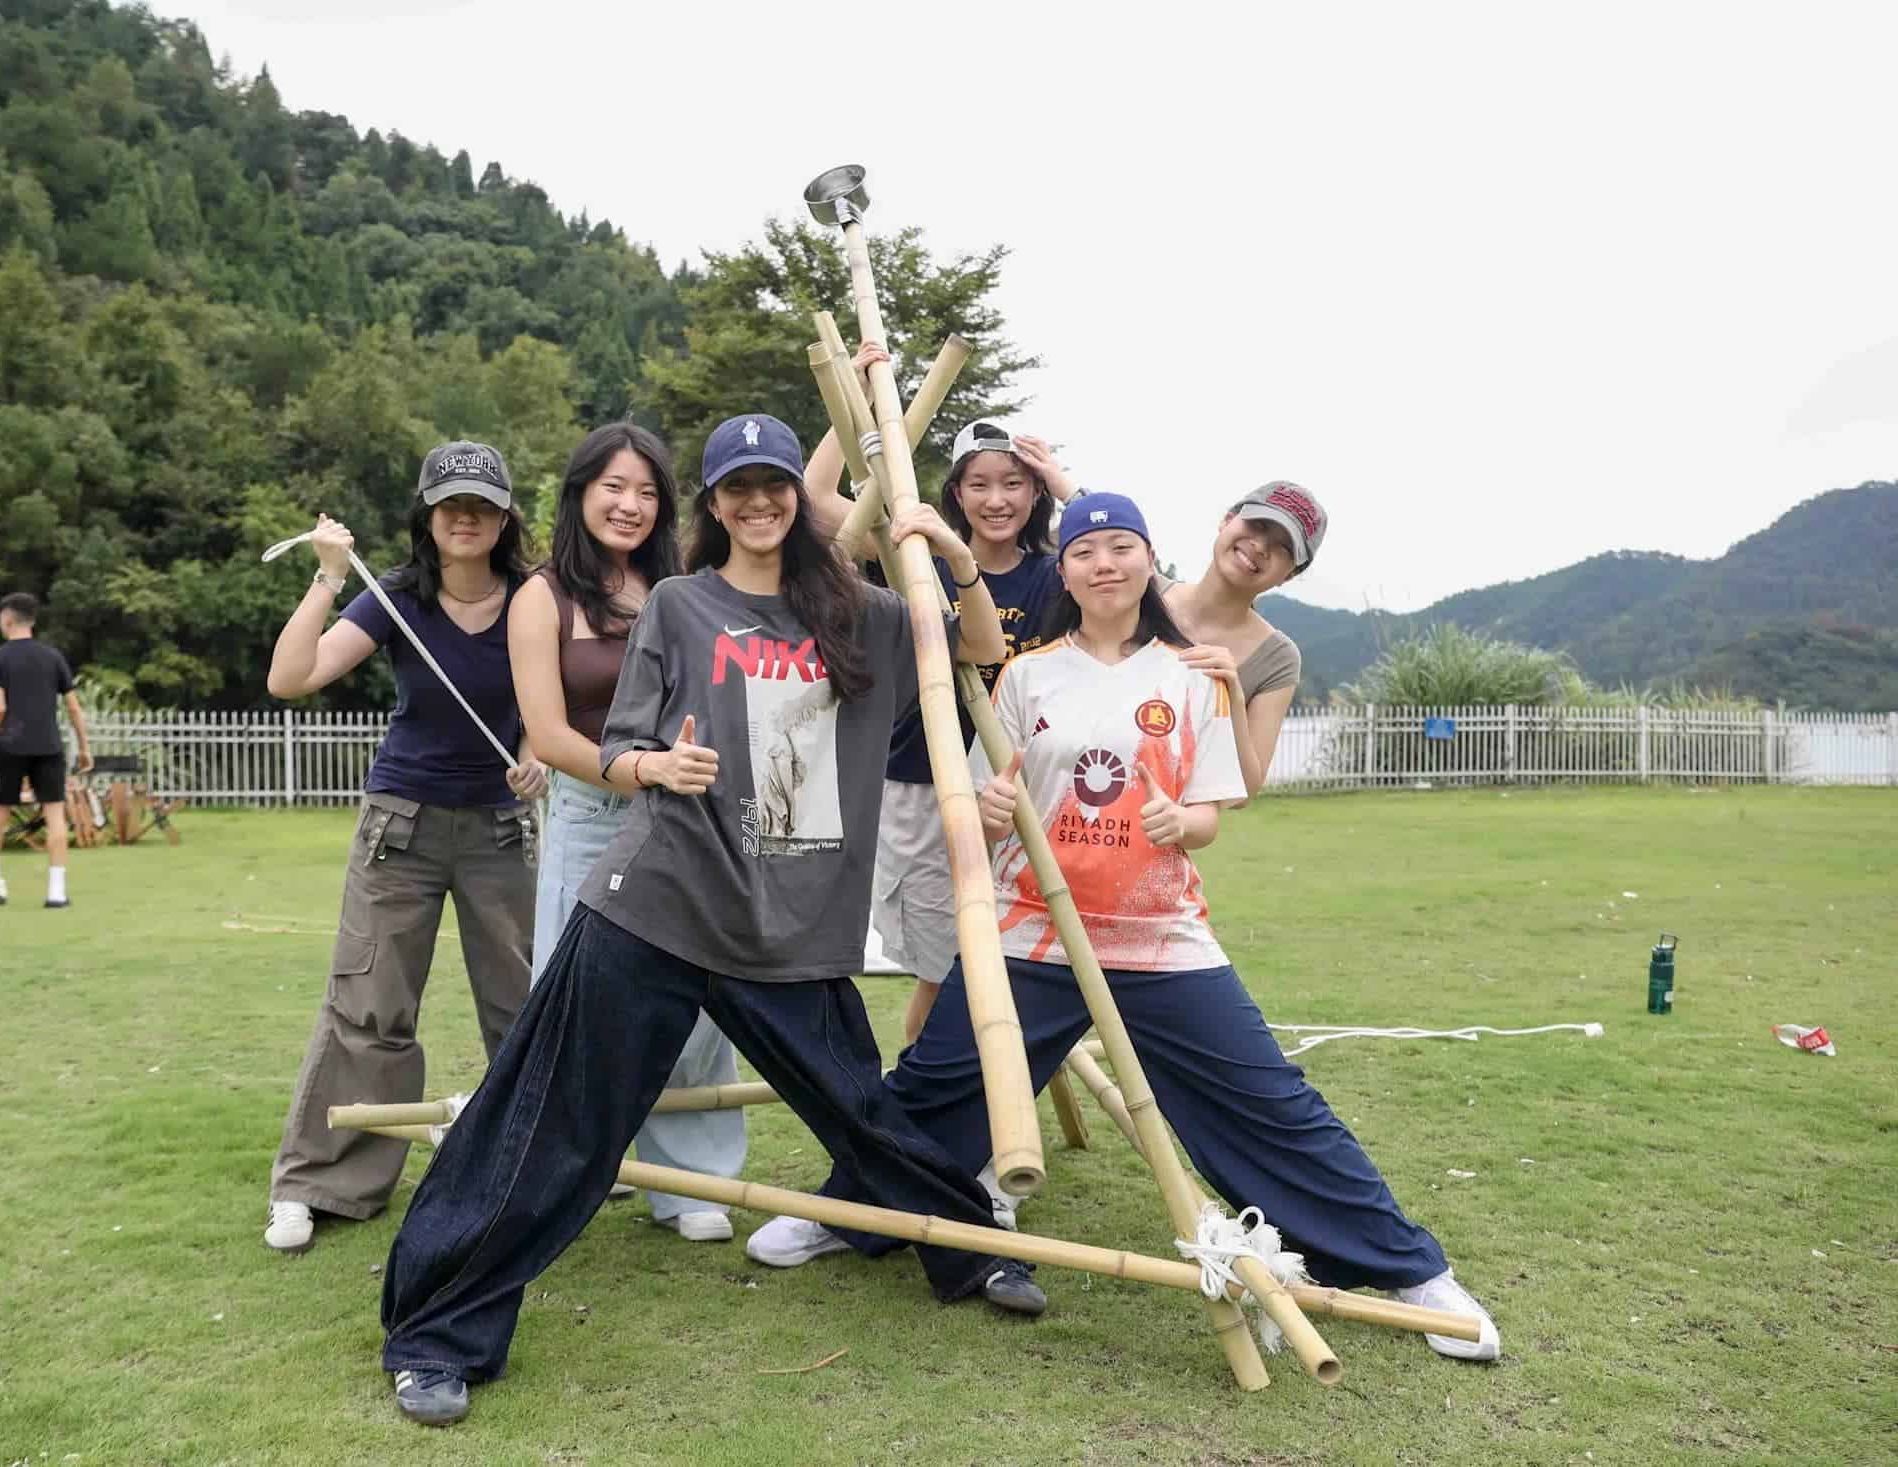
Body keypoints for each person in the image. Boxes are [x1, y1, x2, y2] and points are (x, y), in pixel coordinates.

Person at [374, 412, 1031, 1430]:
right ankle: (436, 1334)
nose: (759, 503)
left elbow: (978, 658)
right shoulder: (680, 605)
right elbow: (622, 743)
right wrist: (653, 767)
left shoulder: (860, 613)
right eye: (738, 489)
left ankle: (968, 1255)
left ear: (795, 502)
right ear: (715, 505)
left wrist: (951, 556)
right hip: (660, 900)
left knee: (862, 1111)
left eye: (775, 485)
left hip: (794, 920)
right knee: (552, 1123)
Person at [748, 495, 1502, 1363]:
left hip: (1158, 935)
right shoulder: (1027, 673)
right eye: (1085, 551)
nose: (1104, 564)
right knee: (934, 1085)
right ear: (1061, 569)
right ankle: (852, 1213)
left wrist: (1185, 822)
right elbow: (982, 800)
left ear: (1149, 561)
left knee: (1271, 1105)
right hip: (1031, 928)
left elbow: (1215, 806)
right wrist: (996, 807)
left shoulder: (1195, 675)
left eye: (1121, 547)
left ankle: (1411, 1268)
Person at [263, 441, 549, 1256]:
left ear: (504, 519)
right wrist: (327, 575)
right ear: (427, 515)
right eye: (451, 503)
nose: (467, 518)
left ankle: (533, 1166)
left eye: (483, 506)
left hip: (500, 828)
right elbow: (293, 676)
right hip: (403, 829)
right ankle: (318, 1182)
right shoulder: (393, 599)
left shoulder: (534, 597)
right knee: (370, 1003)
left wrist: (533, 750)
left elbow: (550, 695)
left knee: (523, 1004)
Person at [508, 423, 746, 1243]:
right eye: (614, 486)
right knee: (580, 1004)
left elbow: (804, 514)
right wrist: (638, 769)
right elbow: (545, 733)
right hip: (591, 815)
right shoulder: (542, 596)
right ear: (580, 492)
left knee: (696, 1005)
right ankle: (570, 1171)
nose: (631, 505)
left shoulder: (686, 589)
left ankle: (691, 1182)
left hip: (689, 816)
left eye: (648, 491)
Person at [802, 365, 1085, 1048]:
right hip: (919, 782)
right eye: (979, 483)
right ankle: (938, 1094)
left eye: (1014, 482)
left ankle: (981, 1095)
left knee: (1011, 955)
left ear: (1035, 492)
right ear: (955, 491)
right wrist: (862, 398)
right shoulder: (911, 550)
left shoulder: (1056, 569)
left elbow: (1123, 550)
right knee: (946, 966)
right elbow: (815, 496)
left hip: (1018, 786)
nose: (997, 499)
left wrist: (1066, 483)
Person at [1161, 480, 1328, 798]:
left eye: (1283, 547)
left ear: (1289, 575)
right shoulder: (1143, 593)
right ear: (1227, 520)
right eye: (1259, 524)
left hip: (1164, 833)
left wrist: (1232, 696)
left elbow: (1244, 790)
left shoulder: (1277, 658)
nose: (1261, 546)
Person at [0, 593, 93, 909]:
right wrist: (84, 748)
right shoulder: (53, 657)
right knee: (54, 815)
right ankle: (56, 892)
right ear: (33, 620)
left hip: (10, 744)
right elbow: (74, 708)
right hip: (48, 745)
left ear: (7, 620)